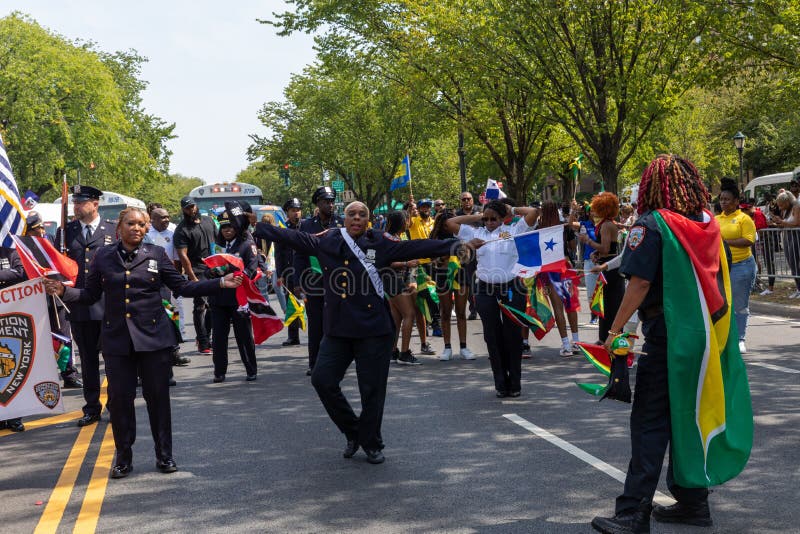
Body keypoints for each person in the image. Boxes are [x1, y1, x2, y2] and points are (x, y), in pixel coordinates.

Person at [253, 201, 458, 464]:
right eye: (352, 214)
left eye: (362, 214)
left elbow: (416, 247)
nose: (357, 218)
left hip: (374, 328)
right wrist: (259, 226)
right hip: (338, 328)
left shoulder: (380, 241)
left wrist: (455, 246)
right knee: (322, 380)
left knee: (372, 390)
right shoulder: (328, 240)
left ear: (368, 220)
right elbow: (293, 238)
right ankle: (353, 432)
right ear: (345, 218)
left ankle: (372, 443)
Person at [44, 208, 242, 479]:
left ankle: (165, 455)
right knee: (120, 402)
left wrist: (220, 283)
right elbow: (90, 295)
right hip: (117, 341)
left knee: (158, 400)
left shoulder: (156, 254)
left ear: (147, 228)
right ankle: (123, 458)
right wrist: (64, 291)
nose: (136, 228)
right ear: (119, 227)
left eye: (141, 224)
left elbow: (182, 287)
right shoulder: (103, 256)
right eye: (131, 223)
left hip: (154, 339)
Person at [590, 154, 716, 534]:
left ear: (652, 186)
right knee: (686, 416)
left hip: (665, 329)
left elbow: (640, 282)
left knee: (649, 420)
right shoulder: (705, 223)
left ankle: (633, 513)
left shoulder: (653, 223)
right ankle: (693, 501)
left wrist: (614, 330)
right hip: (702, 333)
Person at [446, 200, 540, 398]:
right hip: (485, 289)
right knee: (492, 336)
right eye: (486, 219)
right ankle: (500, 383)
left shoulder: (514, 229)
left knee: (513, 336)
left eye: (493, 219)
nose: (489, 223)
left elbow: (533, 212)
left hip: (512, 288)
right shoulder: (476, 233)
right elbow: (451, 222)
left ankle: (514, 383)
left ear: (502, 218)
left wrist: (511, 210)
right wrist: (478, 216)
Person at [55, 184, 118, 427]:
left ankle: (115, 404)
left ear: (95, 204)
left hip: (108, 305)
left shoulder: (112, 229)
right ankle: (92, 407)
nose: (76, 206)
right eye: (74, 202)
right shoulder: (65, 231)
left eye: (81, 202)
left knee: (112, 359)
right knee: (88, 361)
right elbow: (56, 265)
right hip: (79, 304)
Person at [25, 212, 83, 388]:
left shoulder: (50, 240)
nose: (42, 231)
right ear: (28, 231)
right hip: (35, 299)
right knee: (38, 341)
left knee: (64, 336)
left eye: (42, 227)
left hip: (56, 298)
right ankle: (41, 378)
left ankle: (69, 374)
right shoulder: (22, 246)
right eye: (37, 229)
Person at [293, 186, 344, 376]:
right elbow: (299, 255)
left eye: (332, 201)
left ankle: (337, 362)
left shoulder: (341, 223)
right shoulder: (307, 226)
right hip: (313, 283)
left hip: (338, 283)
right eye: (326, 201)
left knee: (337, 323)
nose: (330, 205)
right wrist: (297, 282)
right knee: (316, 325)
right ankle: (314, 363)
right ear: (317, 203)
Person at [209, 210, 259, 382]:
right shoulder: (216, 246)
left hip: (239, 298)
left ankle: (251, 369)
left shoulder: (246, 244)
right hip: (218, 297)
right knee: (218, 338)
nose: (227, 230)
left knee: (243, 336)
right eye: (224, 227)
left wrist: (237, 275)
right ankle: (219, 372)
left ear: (237, 228)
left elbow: (252, 268)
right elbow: (207, 269)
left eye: (230, 226)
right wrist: (213, 271)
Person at [145, 207, 190, 369]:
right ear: (153, 220)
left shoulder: (172, 233)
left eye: (167, 217)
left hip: (167, 281)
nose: (166, 220)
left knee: (172, 314)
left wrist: (175, 281)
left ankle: (174, 351)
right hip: (149, 281)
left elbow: (177, 260)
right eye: (162, 217)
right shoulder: (146, 235)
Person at [716, 179, 756, 353]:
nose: (723, 202)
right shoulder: (716, 219)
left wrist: (725, 242)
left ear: (736, 201)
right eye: (721, 199)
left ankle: (740, 338)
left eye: (727, 199)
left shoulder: (744, 219)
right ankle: (726, 338)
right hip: (721, 267)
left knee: (739, 305)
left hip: (741, 266)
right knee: (723, 304)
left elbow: (748, 240)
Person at [173, 196, 218, 354]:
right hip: (197, 270)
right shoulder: (182, 230)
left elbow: (219, 242)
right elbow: (182, 256)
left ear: (196, 206)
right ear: (183, 210)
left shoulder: (209, 221)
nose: (191, 210)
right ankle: (203, 342)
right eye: (187, 208)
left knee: (213, 305)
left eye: (192, 206)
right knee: (200, 305)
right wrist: (193, 277)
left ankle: (208, 336)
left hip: (214, 268)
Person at [578, 192, 623, 344]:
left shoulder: (606, 225)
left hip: (609, 268)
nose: (593, 212)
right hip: (608, 264)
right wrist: (596, 253)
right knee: (606, 303)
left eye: (596, 208)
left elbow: (605, 248)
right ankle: (604, 337)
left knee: (609, 305)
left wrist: (588, 241)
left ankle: (607, 339)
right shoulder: (607, 224)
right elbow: (608, 249)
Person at [430, 210, 474, 361]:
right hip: (442, 276)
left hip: (461, 274)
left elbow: (467, 259)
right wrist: (444, 258)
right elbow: (434, 260)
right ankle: (447, 347)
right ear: (442, 225)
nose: (450, 226)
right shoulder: (435, 238)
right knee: (445, 313)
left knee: (461, 312)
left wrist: (461, 254)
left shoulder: (461, 235)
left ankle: (463, 347)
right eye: (446, 224)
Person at [383, 211, 422, 365]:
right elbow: (385, 262)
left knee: (397, 317)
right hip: (393, 280)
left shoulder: (396, 237)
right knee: (409, 314)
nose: (408, 223)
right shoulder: (389, 240)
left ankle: (392, 351)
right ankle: (404, 353)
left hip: (396, 279)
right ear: (401, 222)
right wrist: (407, 263)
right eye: (406, 220)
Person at [408, 198, 442, 342]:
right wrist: (410, 210)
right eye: (423, 207)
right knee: (424, 294)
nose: (426, 209)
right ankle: (429, 323)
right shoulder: (414, 221)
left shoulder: (434, 223)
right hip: (418, 264)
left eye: (428, 207)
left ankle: (435, 323)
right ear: (419, 208)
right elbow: (407, 222)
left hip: (433, 263)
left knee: (434, 294)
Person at [0, 245, 26, 432]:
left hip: (10, 316)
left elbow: (20, 272)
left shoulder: (9, 251)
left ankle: (15, 416)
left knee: (11, 367)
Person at [276, 198, 302, 346]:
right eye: (293, 210)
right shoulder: (283, 229)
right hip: (290, 272)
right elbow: (279, 254)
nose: (296, 213)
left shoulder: (307, 226)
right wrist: (280, 275)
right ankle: (293, 336)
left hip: (307, 273)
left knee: (313, 305)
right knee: (291, 304)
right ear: (287, 212)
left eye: (298, 210)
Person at [455, 191, 481, 320]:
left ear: (472, 200)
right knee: (469, 280)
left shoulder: (480, 212)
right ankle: (473, 309)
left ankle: (485, 304)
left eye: (468, 199)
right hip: (465, 251)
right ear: (461, 201)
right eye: (464, 199)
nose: (466, 201)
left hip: (482, 249)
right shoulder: (457, 215)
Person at [771, 190, 800, 298]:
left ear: (787, 202)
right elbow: (786, 224)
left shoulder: (796, 206)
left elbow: (796, 223)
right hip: (787, 237)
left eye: (781, 205)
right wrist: (776, 223)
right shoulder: (786, 210)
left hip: (796, 237)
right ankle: (798, 289)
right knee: (792, 264)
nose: (780, 208)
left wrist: (782, 222)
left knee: (796, 263)